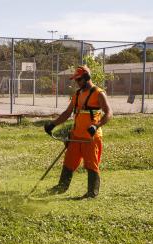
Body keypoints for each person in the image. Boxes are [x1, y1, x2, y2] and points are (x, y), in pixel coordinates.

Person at [44, 65, 113, 198]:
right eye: (75, 80)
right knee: (69, 162)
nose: (77, 82)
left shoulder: (98, 93)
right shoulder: (77, 94)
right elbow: (67, 113)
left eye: (78, 79)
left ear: (86, 77)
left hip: (90, 137)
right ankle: (61, 187)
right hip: (75, 136)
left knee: (91, 164)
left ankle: (92, 193)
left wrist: (96, 126)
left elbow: (109, 113)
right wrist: (52, 125)